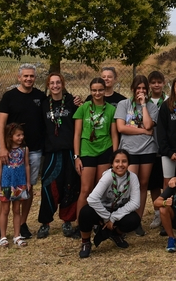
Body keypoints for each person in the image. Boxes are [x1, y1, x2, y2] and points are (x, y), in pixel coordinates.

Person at [0, 63, 46, 243]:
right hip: (11, 152)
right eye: (25, 76)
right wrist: (3, 147)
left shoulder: (40, 96)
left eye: (31, 76)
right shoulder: (9, 97)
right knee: (6, 188)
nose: (28, 79)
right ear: (19, 78)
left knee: (28, 187)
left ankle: (22, 223)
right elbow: (1, 125)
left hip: (33, 150)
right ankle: (1, 229)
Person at [37, 72, 80, 239]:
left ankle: (67, 221)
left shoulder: (72, 101)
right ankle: (45, 222)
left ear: (62, 84)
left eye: (58, 83)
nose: (55, 86)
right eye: (52, 83)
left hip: (69, 151)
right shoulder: (43, 104)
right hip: (52, 153)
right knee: (48, 186)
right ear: (48, 85)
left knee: (70, 185)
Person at [115, 74, 159, 236]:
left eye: (143, 89)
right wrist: (143, 131)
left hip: (148, 149)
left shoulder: (152, 106)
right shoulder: (123, 104)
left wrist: (144, 105)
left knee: (143, 184)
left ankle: (137, 221)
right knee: (130, 185)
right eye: (138, 88)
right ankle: (124, 219)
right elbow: (121, 128)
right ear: (133, 89)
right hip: (129, 150)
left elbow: (149, 124)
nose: (141, 91)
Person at [77, 149, 141, 258]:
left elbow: (135, 203)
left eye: (124, 161)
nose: (120, 165)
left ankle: (116, 233)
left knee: (134, 219)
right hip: (102, 210)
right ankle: (86, 242)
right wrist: (107, 218)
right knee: (85, 212)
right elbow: (92, 199)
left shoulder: (133, 177)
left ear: (128, 164)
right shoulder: (108, 176)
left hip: (117, 210)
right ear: (112, 163)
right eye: (117, 161)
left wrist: (113, 218)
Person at [73, 78, 119, 213]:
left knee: (101, 189)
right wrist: (77, 156)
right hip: (87, 150)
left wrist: (115, 157)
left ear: (105, 91)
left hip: (105, 150)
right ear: (90, 91)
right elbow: (76, 134)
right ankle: (81, 223)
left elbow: (114, 135)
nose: (97, 93)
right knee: (86, 189)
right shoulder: (83, 108)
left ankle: (99, 220)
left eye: (100, 90)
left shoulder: (111, 109)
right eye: (94, 90)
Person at [0, 122, 31, 247]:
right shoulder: (3, 151)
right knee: (5, 210)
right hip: (6, 183)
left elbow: (27, 165)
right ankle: (3, 236)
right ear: (11, 136)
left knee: (17, 210)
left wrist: (27, 182)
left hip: (19, 183)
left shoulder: (24, 150)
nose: (21, 137)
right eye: (18, 135)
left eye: (22, 135)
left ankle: (17, 235)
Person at [146, 70, 167, 230]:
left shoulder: (168, 100)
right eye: (153, 82)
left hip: (166, 146)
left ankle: (167, 210)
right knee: (154, 183)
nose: (156, 85)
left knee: (166, 181)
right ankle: (157, 212)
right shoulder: (145, 102)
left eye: (159, 82)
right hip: (150, 146)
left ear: (164, 83)